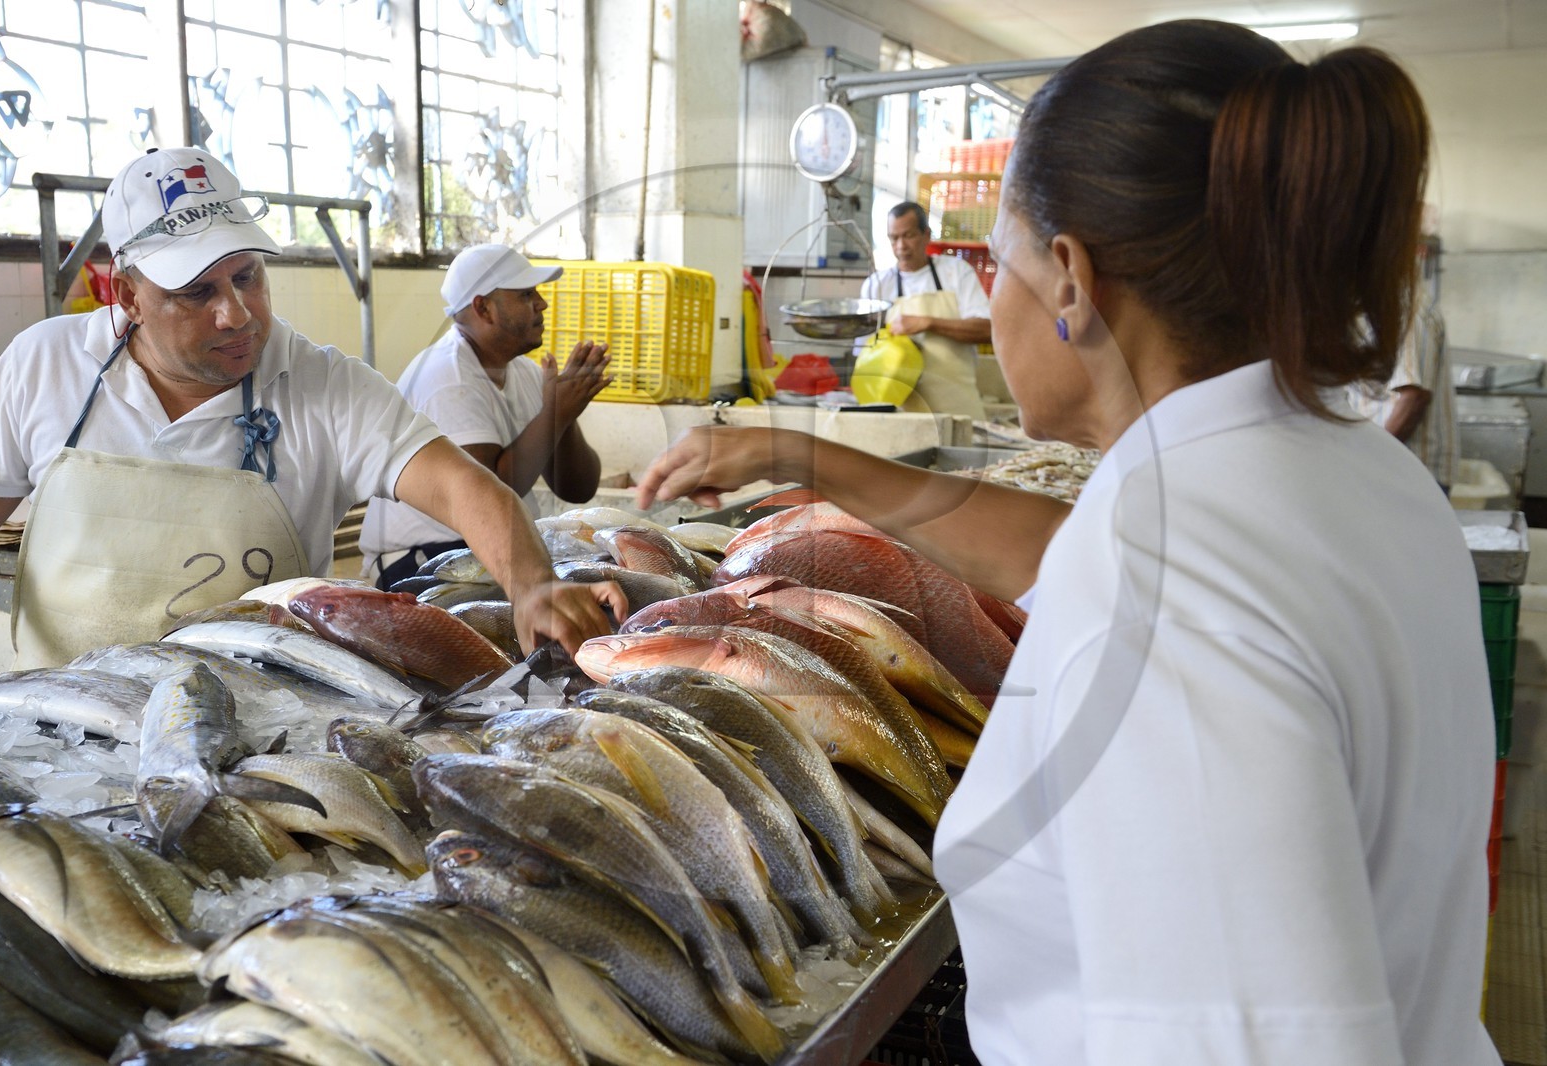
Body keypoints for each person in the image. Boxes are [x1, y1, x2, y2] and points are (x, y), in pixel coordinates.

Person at [637, 20, 1498, 1065]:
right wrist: (804, 457)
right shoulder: (1346, 474)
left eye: (995, 266)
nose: (988, 300)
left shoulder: (1163, 588)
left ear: (1071, 280)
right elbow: (1058, 548)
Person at [0, 147, 623, 669]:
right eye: (196, 291)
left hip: (256, 736)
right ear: (126, 293)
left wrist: (533, 585)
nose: (236, 314)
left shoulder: (322, 384)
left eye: (247, 276)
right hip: (58, 733)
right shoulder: (44, 364)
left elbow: (467, 485)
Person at [359, 244, 611, 590]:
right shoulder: (446, 376)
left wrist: (564, 415)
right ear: (484, 307)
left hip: (486, 544)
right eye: (525, 295)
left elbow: (578, 488)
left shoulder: (524, 373)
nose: (542, 303)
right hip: (421, 560)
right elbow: (486, 496)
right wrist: (555, 410)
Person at [857, 200, 993, 419]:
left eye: (908, 235)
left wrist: (929, 323)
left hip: (957, 409)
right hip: (903, 414)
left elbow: (987, 330)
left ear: (926, 235)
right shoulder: (877, 285)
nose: (901, 246)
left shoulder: (956, 272)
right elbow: (864, 354)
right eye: (894, 238)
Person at [1350, 261, 1457, 491]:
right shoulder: (1374, 311)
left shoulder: (1406, 311)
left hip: (1408, 476)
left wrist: (1369, 460)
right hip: (1388, 469)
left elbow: (1413, 397)